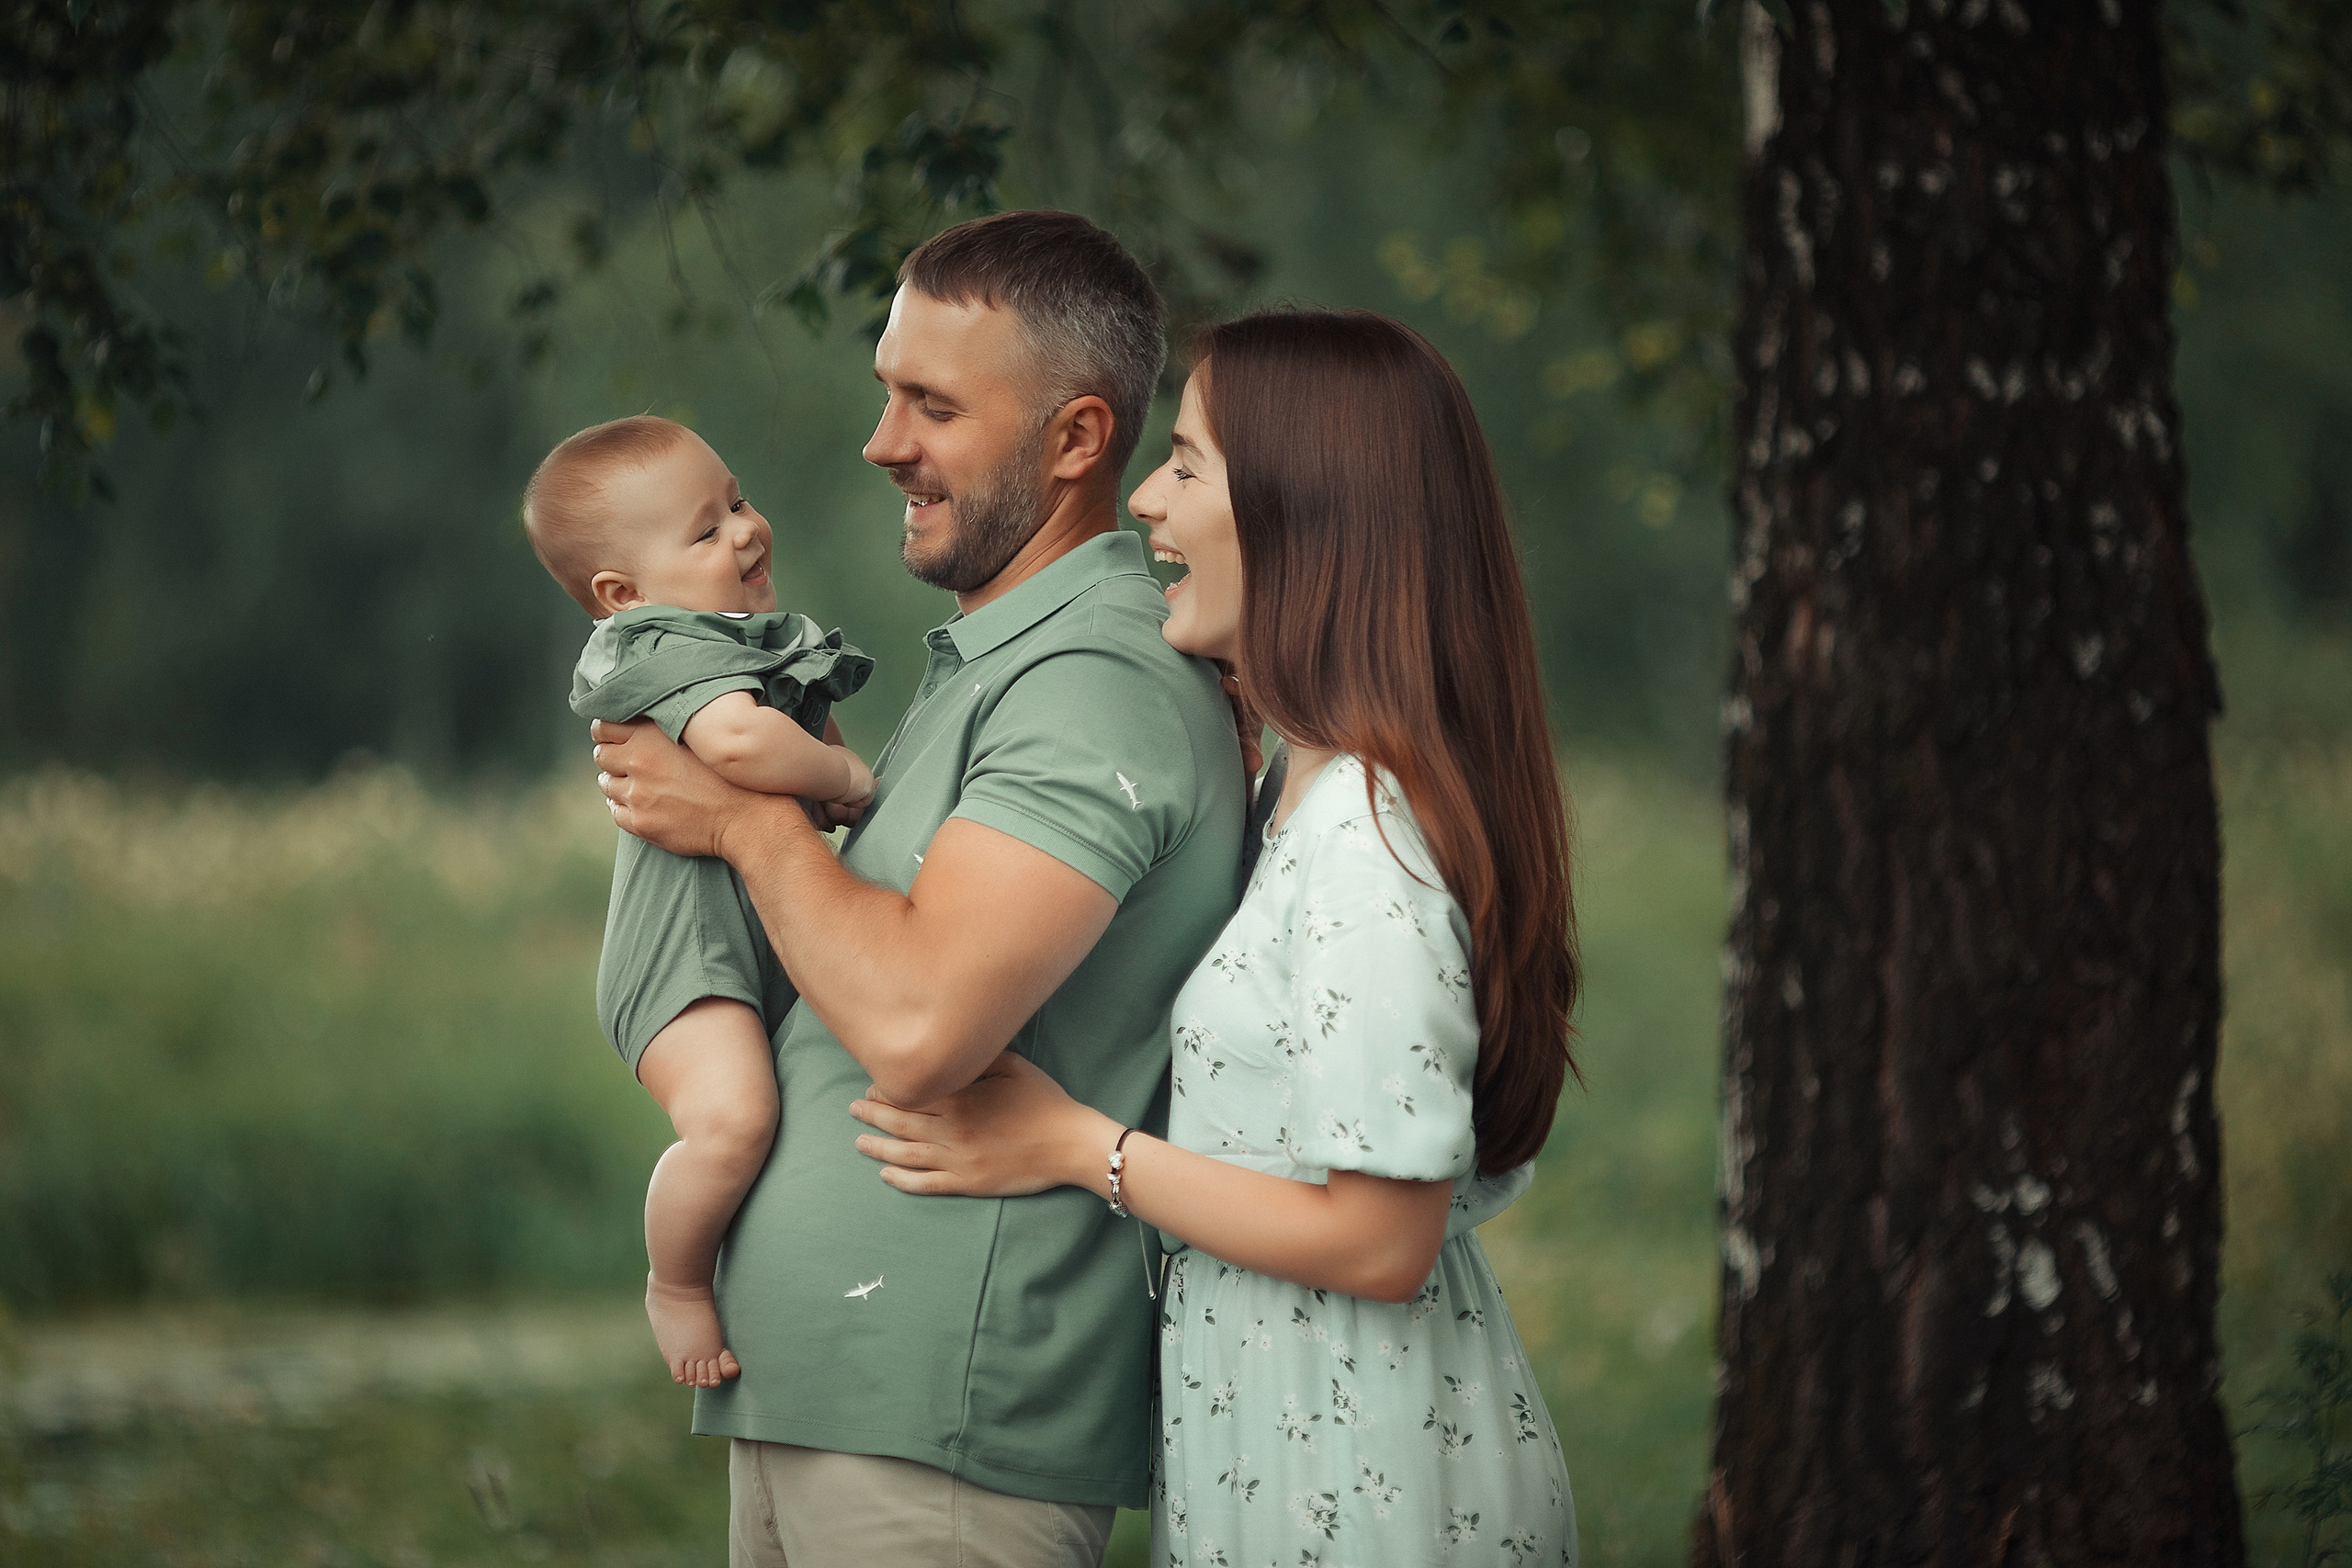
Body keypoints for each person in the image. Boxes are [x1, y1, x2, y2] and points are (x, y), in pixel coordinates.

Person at [849, 309, 1582, 1566]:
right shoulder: (1297, 786)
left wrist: (1080, 1147)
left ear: (1310, 510)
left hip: (1360, 1478)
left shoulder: (1363, 833)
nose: (1144, 501)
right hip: (1283, 1432)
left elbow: (1380, 1234)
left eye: (1186, 464)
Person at [590, 210, 1247, 1568]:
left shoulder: (1094, 680)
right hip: (841, 1400)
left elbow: (919, 1026)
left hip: (941, 1428)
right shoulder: (1004, 664)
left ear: (1073, 439)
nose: (884, 442)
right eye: (888, 392)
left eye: (931, 404)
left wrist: (743, 824)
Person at [523, 414, 876, 1391]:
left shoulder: (743, 642)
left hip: (750, 945)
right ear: (621, 593)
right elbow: (735, 749)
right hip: (685, 966)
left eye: (739, 500)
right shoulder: (657, 645)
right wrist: (851, 774)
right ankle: (674, 1282)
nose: (746, 531)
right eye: (705, 531)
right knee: (732, 1121)